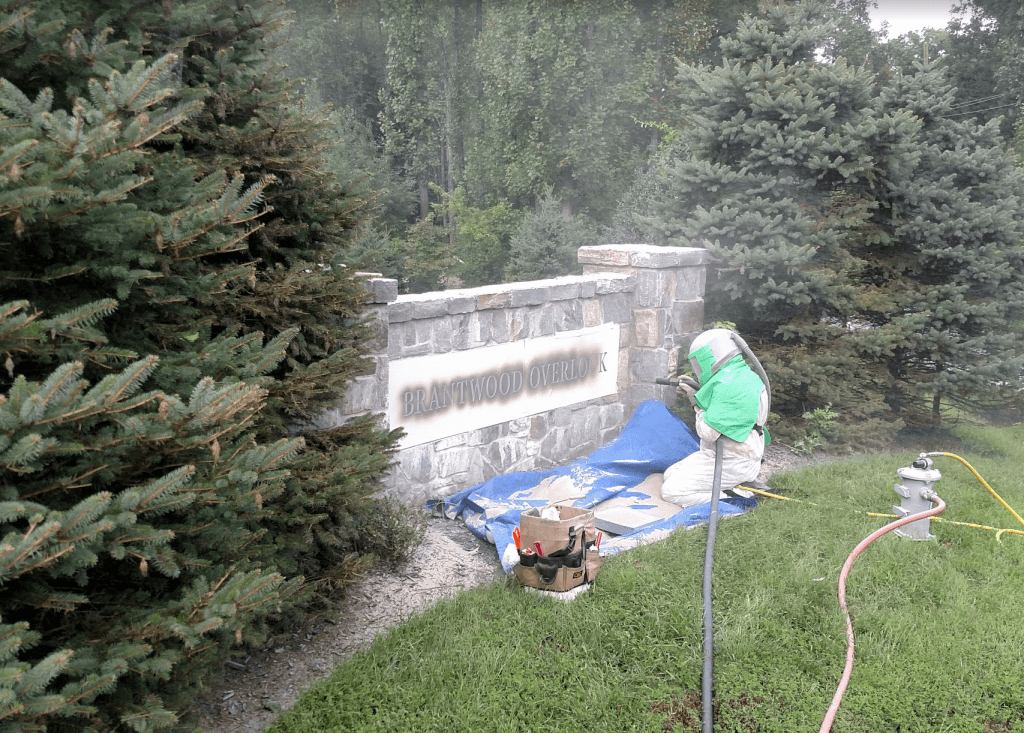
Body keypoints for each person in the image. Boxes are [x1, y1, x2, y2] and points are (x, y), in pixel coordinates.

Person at [661, 329, 769, 508]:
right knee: (669, 474)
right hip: (725, 453)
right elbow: (722, 412)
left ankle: (736, 495)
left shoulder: (731, 386)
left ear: (708, 357)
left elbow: (708, 433)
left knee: (671, 491)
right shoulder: (736, 375)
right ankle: (730, 485)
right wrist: (696, 394)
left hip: (734, 460)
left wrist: (694, 403)